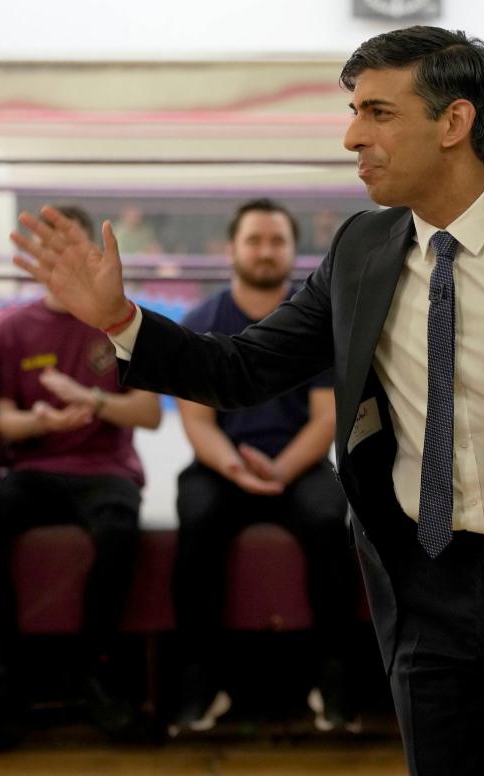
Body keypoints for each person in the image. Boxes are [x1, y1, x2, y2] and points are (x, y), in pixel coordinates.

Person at [13, 27, 484, 776]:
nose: (351, 136)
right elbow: (244, 368)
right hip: (423, 590)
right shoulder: (359, 250)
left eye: (377, 113)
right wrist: (122, 320)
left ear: (454, 122)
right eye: (353, 111)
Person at [0, 204, 161, 741]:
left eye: (68, 246)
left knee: (118, 530)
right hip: (36, 468)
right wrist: (37, 420)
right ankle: (8, 668)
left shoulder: (121, 320)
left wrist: (93, 401)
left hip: (104, 468)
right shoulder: (15, 327)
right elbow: (1, 420)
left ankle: (95, 668)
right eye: (47, 248)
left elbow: (149, 413)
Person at [169, 199, 358, 736]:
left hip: (296, 460)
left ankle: (335, 676)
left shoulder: (315, 322)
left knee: (330, 521)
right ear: (232, 249)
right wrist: (236, 467)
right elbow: (198, 423)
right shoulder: (202, 324)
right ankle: (199, 679)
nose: (266, 250)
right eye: (254, 240)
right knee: (197, 519)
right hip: (223, 464)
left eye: (277, 241)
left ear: (293, 252)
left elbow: (327, 418)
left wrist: (277, 470)